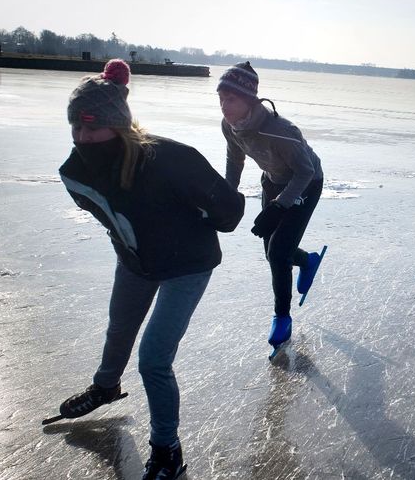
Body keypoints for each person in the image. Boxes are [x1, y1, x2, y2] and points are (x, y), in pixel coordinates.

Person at [56, 59, 245, 479]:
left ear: (118, 126)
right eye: (77, 128)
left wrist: (188, 221)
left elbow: (230, 213)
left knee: (153, 359)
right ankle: (105, 387)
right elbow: (113, 218)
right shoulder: (75, 173)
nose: (83, 137)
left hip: (187, 265)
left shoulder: (171, 159)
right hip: (136, 261)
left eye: (92, 127)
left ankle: (167, 452)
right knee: (119, 326)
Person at [217, 62, 326, 355]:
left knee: (278, 252)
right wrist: (228, 194)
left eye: (231, 99)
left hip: (306, 183)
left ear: (250, 100)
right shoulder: (230, 126)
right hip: (273, 182)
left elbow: (304, 172)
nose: (224, 106)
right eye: (221, 98)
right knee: (272, 253)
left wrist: (280, 206)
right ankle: (306, 261)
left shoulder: (281, 130)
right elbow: (234, 160)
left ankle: (282, 317)